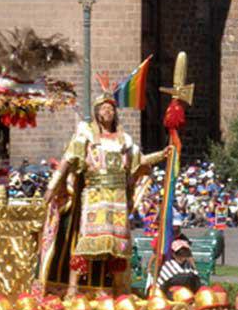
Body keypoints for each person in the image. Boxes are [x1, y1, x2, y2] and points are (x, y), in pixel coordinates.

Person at [39, 79, 168, 294]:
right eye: (104, 108)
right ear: (97, 113)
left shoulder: (125, 140)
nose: (108, 111)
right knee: (88, 242)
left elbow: (139, 162)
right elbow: (68, 160)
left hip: (117, 198)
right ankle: (72, 288)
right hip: (95, 195)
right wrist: (52, 188)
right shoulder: (87, 135)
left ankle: (117, 289)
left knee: (118, 246)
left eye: (111, 108)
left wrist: (162, 154)